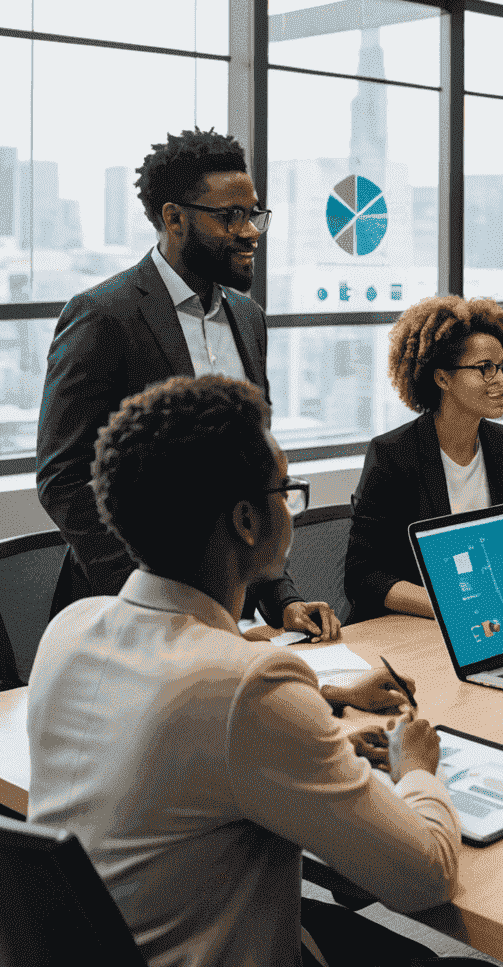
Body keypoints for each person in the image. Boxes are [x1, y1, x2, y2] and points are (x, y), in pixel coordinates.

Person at [26, 374, 503, 967]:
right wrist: (415, 770)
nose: (293, 506)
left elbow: (185, 701)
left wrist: (316, 706)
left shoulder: (72, 628)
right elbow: (423, 875)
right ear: (248, 522)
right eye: (287, 491)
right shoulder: (247, 687)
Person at [36, 127, 337, 640]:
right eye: (229, 216)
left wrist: (280, 599)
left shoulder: (247, 317)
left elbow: (253, 480)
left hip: (227, 611)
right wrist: (163, 606)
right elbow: (64, 478)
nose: (250, 232)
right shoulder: (103, 316)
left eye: (254, 214)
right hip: (128, 619)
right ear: (174, 218)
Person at [345, 296, 503, 621]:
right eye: (485, 369)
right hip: (415, 628)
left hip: (494, 619)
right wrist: (450, 605)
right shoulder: (393, 455)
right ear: (442, 378)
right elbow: (363, 576)